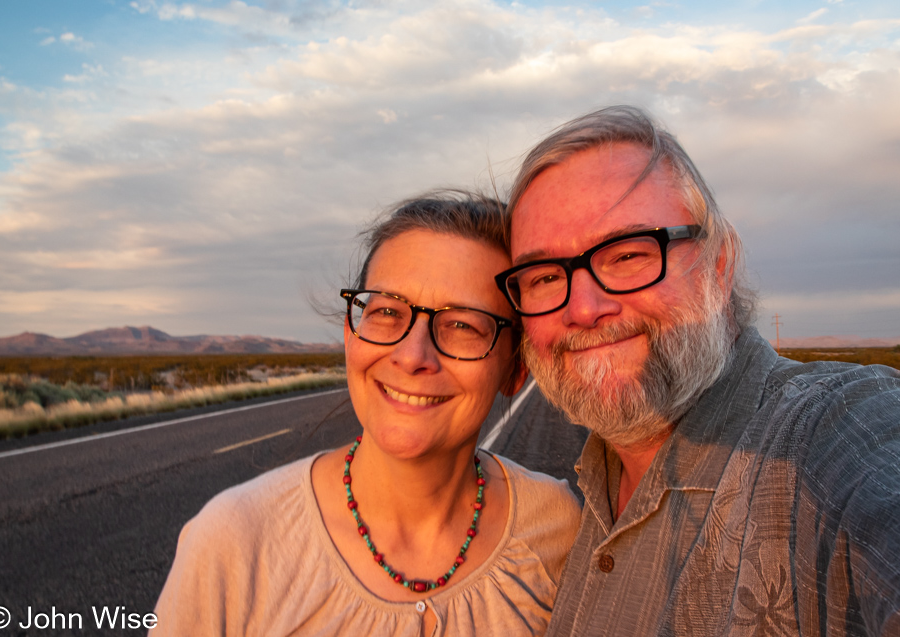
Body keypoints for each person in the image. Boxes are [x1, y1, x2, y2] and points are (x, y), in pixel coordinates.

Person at [497, 105, 900, 635]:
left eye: (630, 254)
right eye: (544, 277)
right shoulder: (581, 499)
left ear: (721, 262)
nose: (585, 308)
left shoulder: (837, 432)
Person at [151, 193, 581, 636]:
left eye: (462, 325)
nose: (413, 355)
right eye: (387, 312)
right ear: (349, 335)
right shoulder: (233, 542)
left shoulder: (558, 529)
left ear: (515, 369)